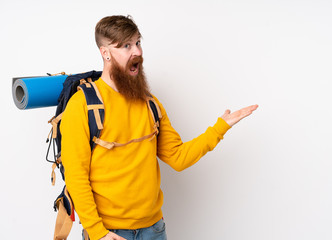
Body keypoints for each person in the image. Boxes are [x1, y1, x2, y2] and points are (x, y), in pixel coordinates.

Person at [61, 15, 258, 240]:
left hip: (154, 230)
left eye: (138, 42)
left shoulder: (149, 103)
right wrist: (97, 232)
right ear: (105, 53)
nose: (137, 52)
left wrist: (220, 128)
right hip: (109, 233)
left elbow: (178, 157)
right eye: (126, 46)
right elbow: (76, 177)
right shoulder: (82, 106)